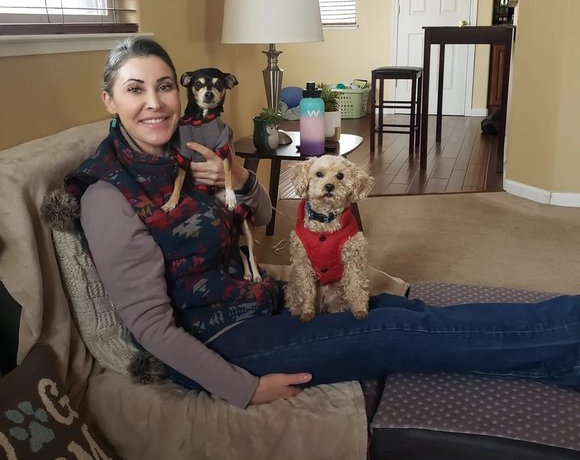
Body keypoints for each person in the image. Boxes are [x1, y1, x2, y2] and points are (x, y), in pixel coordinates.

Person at [65, 36, 580, 409]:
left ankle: (563, 359)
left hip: (254, 300)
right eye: (135, 90)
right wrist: (245, 389)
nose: (154, 103)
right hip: (220, 341)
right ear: (110, 100)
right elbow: (151, 327)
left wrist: (237, 176)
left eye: (164, 86)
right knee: (396, 331)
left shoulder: (190, 150)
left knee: (398, 309)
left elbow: (263, 217)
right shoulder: (108, 195)